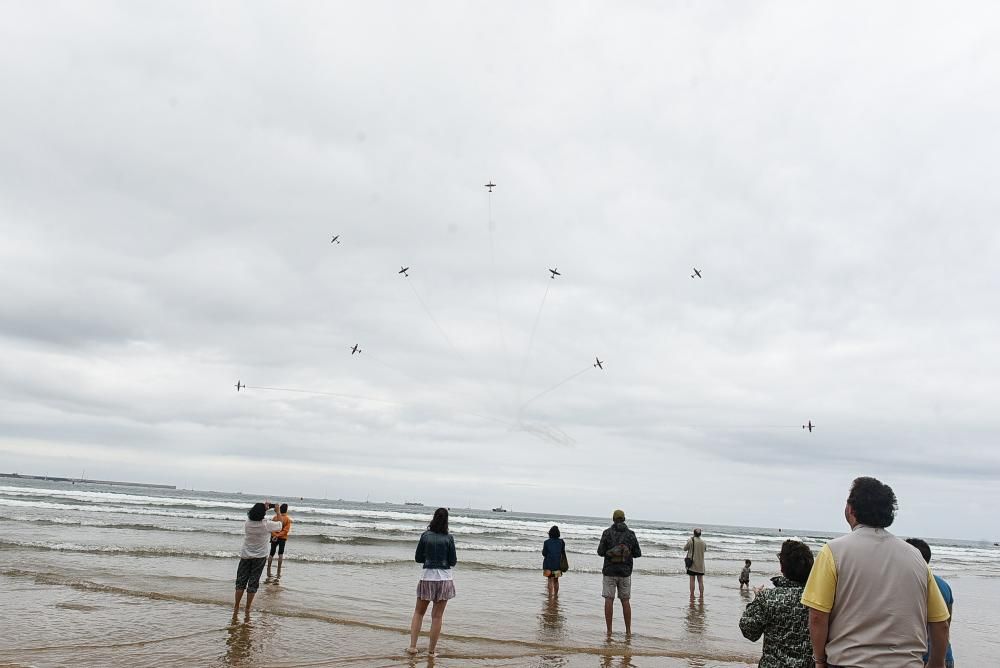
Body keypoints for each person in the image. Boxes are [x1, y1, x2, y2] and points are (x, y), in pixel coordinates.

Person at [801, 477, 951, 668]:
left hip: (849, 662)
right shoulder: (915, 557)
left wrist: (820, 661)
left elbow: (817, 616)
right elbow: (940, 624)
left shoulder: (833, 551)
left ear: (851, 509)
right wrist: (936, 663)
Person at [739, 540, 815, 667]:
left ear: (782, 567)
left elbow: (749, 631)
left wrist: (757, 600)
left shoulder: (768, 598)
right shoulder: (820, 599)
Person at [407, 507, 457, 657]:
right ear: (446, 521)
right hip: (444, 579)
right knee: (437, 616)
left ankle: (412, 646)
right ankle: (431, 651)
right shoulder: (449, 538)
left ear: (434, 518)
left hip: (427, 577)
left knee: (418, 612)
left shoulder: (425, 536)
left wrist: (428, 558)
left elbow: (418, 558)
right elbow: (453, 561)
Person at [905, 538, 955, 668]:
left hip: (925, 657)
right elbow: (946, 623)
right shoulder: (944, 585)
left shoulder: (911, 584)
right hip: (944, 655)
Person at [233, 500, 284, 619]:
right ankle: (247, 608)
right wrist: (278, 511)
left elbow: (256, 515)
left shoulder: (247, 523)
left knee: (240, 582)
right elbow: (280, 525)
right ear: (263, 514)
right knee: (253, 582)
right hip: (259, 557)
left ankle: (236, 606)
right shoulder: (266, 524)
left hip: (245, 555)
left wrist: (263, 508)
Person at [596, 509, 642, 636]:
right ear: (624, 519)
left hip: (609, 571)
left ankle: (609, 631)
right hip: (625, 572)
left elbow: (600, 552)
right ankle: (628, 631)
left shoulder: (607, 533)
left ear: (613, 519)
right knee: (625, 601)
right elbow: (638, 553)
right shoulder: (631, 534)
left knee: (609, 600)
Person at [267, 503, 292, 579]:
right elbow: (285, 531)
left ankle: (268, 567)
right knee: (280, 553)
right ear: (286, 510)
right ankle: (279, 568)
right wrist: (278, 535)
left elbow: (271, 528)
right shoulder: (287, 519)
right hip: (283, 538)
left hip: (274, 536)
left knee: (272, 552)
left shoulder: (275, 517)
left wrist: (275, 535)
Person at [542, 525, 566, 596]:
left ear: (550, 533)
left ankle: (550, 596)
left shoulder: (546, 542)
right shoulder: (561, 542)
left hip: (548, 565)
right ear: (558, 533)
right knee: (556, 580)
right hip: (558, 565)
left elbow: (544, 553)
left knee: (549, 580)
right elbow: (562, 552)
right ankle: (555, 595)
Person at [684, 528, 707, 599]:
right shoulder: (703, 542)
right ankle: (701, 596)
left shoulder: (691, 540)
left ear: (694, 533)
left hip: (692, 564)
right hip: (701, 565)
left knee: (692, 580)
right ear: (700, 534)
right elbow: (705, 550)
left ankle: (692, 595)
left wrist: (688, 542)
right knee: (700, 581)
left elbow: (685, 548)